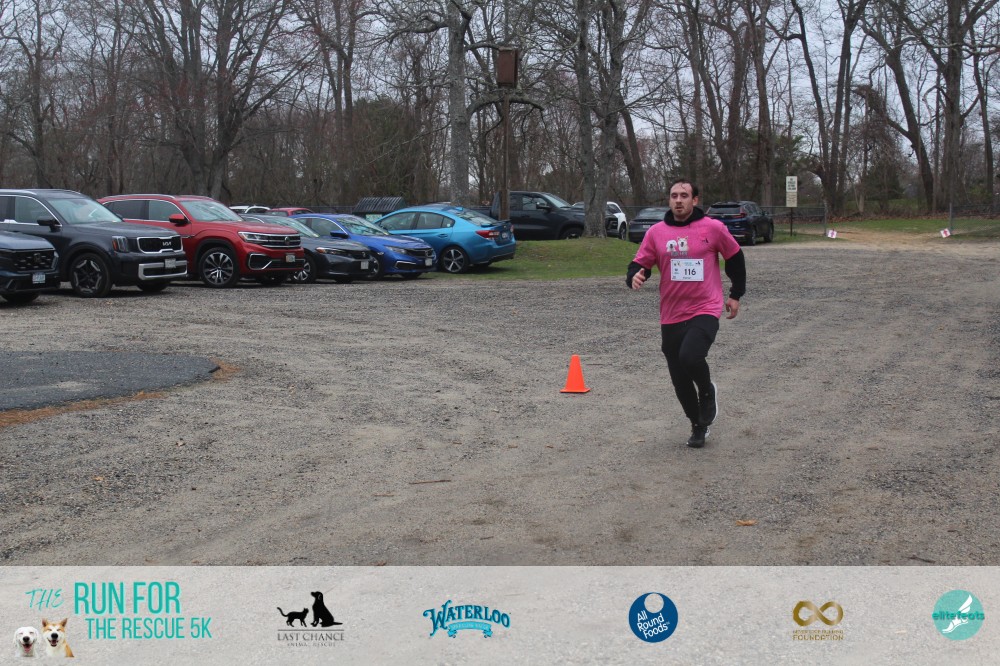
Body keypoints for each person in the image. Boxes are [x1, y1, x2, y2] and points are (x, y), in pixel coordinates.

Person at [626, 179, 746, 448]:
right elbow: (640, 263)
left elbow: (735, 258)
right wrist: (635, 275)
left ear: (695, 200)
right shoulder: (656, 232)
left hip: (705, 307)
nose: (678, 200)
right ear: (669, 200)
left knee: (690, 356)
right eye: (674, 196)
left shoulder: (713, 228)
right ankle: (698, 424)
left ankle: (707, 391)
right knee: (679, 377)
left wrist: (736, 294)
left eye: (684, 195)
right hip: (671, 313)